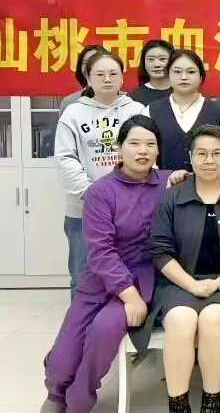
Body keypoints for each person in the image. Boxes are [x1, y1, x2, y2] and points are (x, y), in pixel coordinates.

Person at [41, 115, 168, 413]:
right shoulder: (101, 191)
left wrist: (135, 295)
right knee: (62, 360)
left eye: (150, 144)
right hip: (100, 278)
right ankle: (57, 392)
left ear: (158, 150)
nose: (143, 151)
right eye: (134, 143)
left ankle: (79, 401)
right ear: (119, 148)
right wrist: (129, 296)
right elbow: (100, 251)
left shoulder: (168, 183)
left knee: (104, 329)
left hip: (143, 278)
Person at [144, 125, 220, 413]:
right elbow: (160, 251)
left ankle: (211, 404)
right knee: (180, 320)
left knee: (214, 318)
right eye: (201, 153)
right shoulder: (172, 197)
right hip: (179, 283)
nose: (209, 160)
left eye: (216, 153)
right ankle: (178, 406)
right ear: (190, 157)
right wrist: (191, 285)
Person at [54, 51, 145, 298]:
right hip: (83, 208)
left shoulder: (136, 110)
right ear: (88, 78)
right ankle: (81, 320)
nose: (107, 79)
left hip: (129, 206)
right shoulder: (73, 113)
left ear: (122, 77)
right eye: (100, 74)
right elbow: (65, 157)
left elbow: (146, 152)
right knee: (83, 274)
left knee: (128, 272)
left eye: (113, 73)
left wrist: (126, 194)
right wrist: (93, 194)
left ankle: (122, 318)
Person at [143, 49, 220, 171]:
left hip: (208, 181)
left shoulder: (218, 112)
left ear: (201, 77)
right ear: (168, 75)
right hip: (162, 182)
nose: (183, 77)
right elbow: (145, 152)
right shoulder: (152, 111)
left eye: (191, 72)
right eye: (177, 71)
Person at [58, 45, 109, 116]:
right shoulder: (69, 102)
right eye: (85, 63)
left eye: (95, 61)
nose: (89, 67)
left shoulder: (123, 100)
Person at [129, 39, 175, 105]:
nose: (156, 64)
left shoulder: (183, 92)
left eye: (162, 59)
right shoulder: (133, 97)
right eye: (151, 59)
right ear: (143, 62)